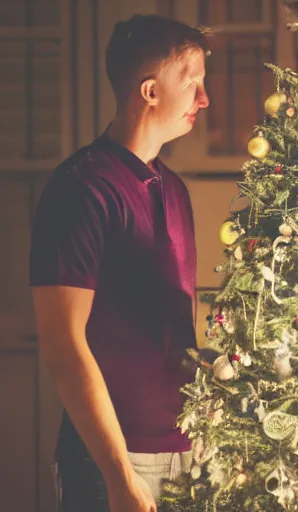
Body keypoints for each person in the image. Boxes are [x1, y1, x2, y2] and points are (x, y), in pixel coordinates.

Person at [29, 14, 209, 512]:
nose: (204, 99)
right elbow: (64, 343)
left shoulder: (174, 190)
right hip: (112, 464)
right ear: (150, 91)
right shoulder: (81, 188)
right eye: (192, 84)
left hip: (187, 456)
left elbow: (171, 332)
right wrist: (118, 475)